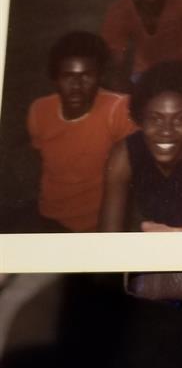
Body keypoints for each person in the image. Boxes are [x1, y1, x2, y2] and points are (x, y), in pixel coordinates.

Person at [99, 61, 182, 232]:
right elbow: (108, 236)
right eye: (155, 119)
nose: (166, 131)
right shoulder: (123, 153)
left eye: (179, 119)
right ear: (140, 119)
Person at [26, 32, 135, 232]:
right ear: (55, 79)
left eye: (86, 76)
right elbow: (41, 164)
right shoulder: (39, 110)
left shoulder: (118, 110)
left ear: (100, 76)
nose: (76, 86)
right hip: (50, 217)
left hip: (100, 224)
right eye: (68, 76)